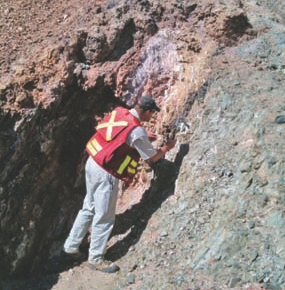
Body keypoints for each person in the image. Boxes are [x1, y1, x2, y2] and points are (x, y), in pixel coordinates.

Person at [62, 95, 176, 273]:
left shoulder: (120, 112)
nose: (152, 116)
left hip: (92, 162)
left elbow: (119, 134)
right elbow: (152, 157)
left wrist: (142, 136)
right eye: (151, 113)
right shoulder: (137, 132)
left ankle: (70, 247)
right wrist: (167, 147)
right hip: (106, 173)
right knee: (105, 216)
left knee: (88, 207)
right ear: (146, 111)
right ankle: (96, 259)